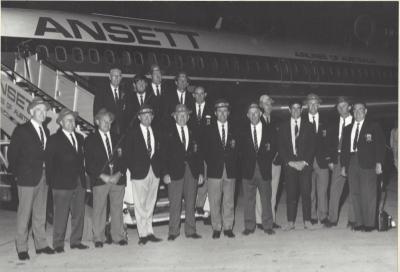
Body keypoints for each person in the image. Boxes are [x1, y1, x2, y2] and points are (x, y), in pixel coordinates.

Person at [8, 97, 55, 260]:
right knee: (24, 214)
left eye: (44, 111)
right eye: (39, 110)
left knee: (40, 214)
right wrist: (17, 175)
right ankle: (21, 247)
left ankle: (41, 244)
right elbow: (12, 154)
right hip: (27, 178)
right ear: (31, 112)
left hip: (43, 177)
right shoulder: (22, 130)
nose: (43, 113)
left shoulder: (46, 131)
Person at [45, 108, 88, 253]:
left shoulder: (80, 138)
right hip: (61, 184)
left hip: (79, 183)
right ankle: (58, 244)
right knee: (61, 214)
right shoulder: (53, 139)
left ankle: (76, 241)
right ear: (61, 122)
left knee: (78, 213)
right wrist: (52, 183)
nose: (72, 122)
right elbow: (49, 163)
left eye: (73, 120)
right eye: (68, 120)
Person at [84, 108, 127, 247]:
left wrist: (118, 173)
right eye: (104, 121)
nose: (107, 124)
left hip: (117, 179)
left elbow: (125, 159)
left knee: (117, 209)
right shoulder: (90, 139)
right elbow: (89, 163)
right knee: (99, 209)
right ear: (97, 122)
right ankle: (98, 238)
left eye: (109, 122)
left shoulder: (118, 137)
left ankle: (118, 236)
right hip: (100, 180)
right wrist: (104, 176)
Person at [340, 101, 385, 232]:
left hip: (368, 163)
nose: (358, 112)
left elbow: (380, 146)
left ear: (366, 111)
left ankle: (369, 224)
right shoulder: (348, 128)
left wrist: (379, 163)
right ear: (352, 112)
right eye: (355, 110)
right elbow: (344, 149)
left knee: (368, 194)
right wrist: (344, 165)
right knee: (355, 193)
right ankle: (359, 223)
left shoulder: (374, 126)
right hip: (352, 162)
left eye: (361, 109)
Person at [163, 104, 204, 241]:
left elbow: (199, 155)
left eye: (184, 114)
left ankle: (191, 230)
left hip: (191, 172)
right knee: (175, 203)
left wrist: (200, 173)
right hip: (174, 172)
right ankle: (173, 231)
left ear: (188, 116)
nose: (182, 117)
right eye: (179, 114)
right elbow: (164, 155)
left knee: (191, 202)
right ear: (174, 116)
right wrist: (165, 173)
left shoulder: (195, 132)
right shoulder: (168, 132)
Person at [124, 104, 163, 245]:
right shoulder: (132, 133)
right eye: (144, 115)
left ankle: (150, 231)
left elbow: (160, 153)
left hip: (155, 172)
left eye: (149, 115)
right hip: (139, 173)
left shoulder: (157, 132)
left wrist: (159, 170)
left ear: (152, 117)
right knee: (140, 204)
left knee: (150, 203)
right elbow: (127, 155)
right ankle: (142, 234)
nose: (147, 117)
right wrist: (134, 169)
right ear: (139, 117)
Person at [278, 100, 316, 231]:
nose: (295, 111)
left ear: (302, 110)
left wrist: (304, 162)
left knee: (306, 193)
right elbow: (281, 147)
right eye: (293, 108)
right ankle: (290, 222)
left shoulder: (309, 126)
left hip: (305, 164)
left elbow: (312, 146)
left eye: (298, 108)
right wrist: (290, 162)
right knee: (291, 194)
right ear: (289, 110)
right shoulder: (283, 126)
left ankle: (307, 221)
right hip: (290, 164)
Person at [240, 102, 277, 235]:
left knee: (266, 199)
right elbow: (240, 151)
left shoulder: (269, 129)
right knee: (248, 200)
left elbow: (274, 148)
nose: (254, 115)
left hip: (264, 169)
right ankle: (249, 226)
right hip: (248, 171)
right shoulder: (242, 131)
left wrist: (266, 160)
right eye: (251, 113)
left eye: (256, 113)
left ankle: (268, 225)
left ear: (260, 114)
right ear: (248, 116)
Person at [203, 99, 238, 239]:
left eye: (225, 111)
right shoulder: (208, 130)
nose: (222, 114)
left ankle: (228, 227)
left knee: (229, 200)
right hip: (214, 170)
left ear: (228, 113)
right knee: (214, 200)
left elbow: (239, 151)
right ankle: (216, 227)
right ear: (215, 113)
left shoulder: (235, 129)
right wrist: (212, 163)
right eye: (219, 111)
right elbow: (205, 151)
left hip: (230, 170)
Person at [326, 96, 355, 228]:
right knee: (334, 190)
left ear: (350, 107)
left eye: (344, 106)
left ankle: (353, 219)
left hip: (352, 159)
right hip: (337, 159)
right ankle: (332, 219)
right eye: (339, 107)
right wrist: (331, 160)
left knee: (354, 189)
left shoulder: (356, 122)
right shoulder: (333, 123)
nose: (341, 109)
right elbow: (330, 144)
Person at [255, 94, 282, 229]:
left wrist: (279, 156)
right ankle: (259, 220)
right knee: (261, 192)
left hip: (275, 162)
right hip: (261, 163)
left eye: (271, 104)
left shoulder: (277, 120)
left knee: (273, 191)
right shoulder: (256, 120)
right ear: (260, 105)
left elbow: (281, 141)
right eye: (266, 104)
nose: (269, 106)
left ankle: (271, 219)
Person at [304, 94, 330, 226]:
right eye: (310, 103)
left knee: (323, 190)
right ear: (307, 105)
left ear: (319, 105)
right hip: (307, 161)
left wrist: (329, 158)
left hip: (322, 161)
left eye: (315, 103)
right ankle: (312, 215)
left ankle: (323, 215)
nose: (313, 106)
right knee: (310, 190)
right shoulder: (302, 120)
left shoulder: (326, 120)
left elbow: (330, 141)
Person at [191, 86, 213, 223]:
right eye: (196, 94)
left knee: (207, 180)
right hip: (193, 151)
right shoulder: (189, 109)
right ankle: (196, 206)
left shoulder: (211, 110)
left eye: (201, 94)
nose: (199, 96)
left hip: (208, 152)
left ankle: (204, 210)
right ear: (193, 95)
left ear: (205, 94)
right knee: (195, 179)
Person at [93, 68, 130, 137]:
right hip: (107, 130)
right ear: (110, 77)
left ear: (121, 78)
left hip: (123, 132)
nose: (116, 78)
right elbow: (96, 111)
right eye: (114, 76)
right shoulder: (101, 91)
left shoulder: (126, 91)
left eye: (118, 76)